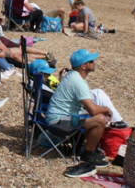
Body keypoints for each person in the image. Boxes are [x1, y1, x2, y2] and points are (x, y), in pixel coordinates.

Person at [46, 49, 112, 178]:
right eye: (91, 61)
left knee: (95, 117)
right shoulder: (77, 81)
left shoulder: (73, 76)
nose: (94, 62)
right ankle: (87, 161)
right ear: (83, 65)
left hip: (61, 118)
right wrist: (106, 109)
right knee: (99, 119)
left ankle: (86, 151)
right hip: (58, 123)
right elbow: (93, 109)